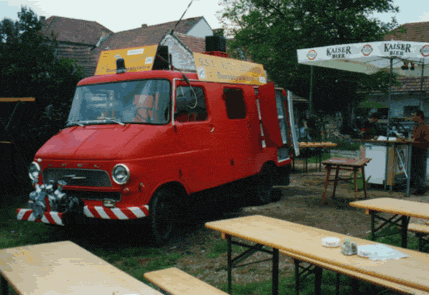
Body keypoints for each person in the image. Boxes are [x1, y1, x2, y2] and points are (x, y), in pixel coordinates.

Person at [411, 110, 429, 195]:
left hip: (421, 150)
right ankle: (420, 187)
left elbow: (427, 140)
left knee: (419, 170)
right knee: (415, 169)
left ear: (419, 117)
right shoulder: (416, 127)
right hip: (415, 149)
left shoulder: (424, 127)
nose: (413, 118)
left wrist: (416, 141)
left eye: (414, 116)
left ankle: (422, 187)